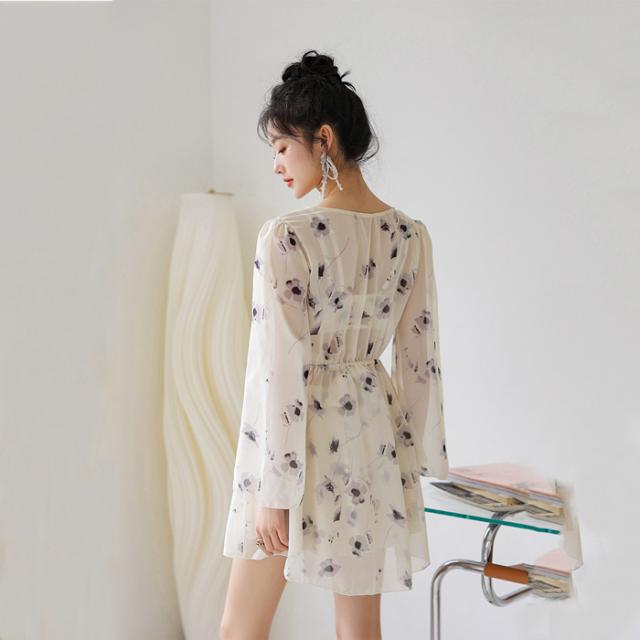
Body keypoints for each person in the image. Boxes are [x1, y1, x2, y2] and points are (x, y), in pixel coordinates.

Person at [219, 49, 449, 640]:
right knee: (359, 631)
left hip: (292, 450)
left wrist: (273, 492)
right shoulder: (410, 236)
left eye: (281, 147)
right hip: (371, 439)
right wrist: (415, 465)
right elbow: (420, 362)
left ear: (323, 139)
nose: (276, 164)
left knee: (240, 629)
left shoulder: (286, 236)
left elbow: (278, 370)